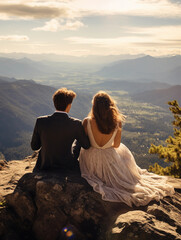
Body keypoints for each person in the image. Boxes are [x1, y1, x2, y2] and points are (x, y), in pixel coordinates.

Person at [79, 91, 175, 207]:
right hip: (109, 157)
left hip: (91, 159)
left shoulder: (87, 121)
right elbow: (116, 145)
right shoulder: (117, 122)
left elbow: (84, 142)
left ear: (94, 106)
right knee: (123, 152)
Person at [31, 88, 90, 172]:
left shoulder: (40, 121)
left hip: (44, 165)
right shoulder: (76, 124)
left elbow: (34, 146)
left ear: (54, 103)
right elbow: (86, 145)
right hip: (67, 166)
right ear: (69, 105)